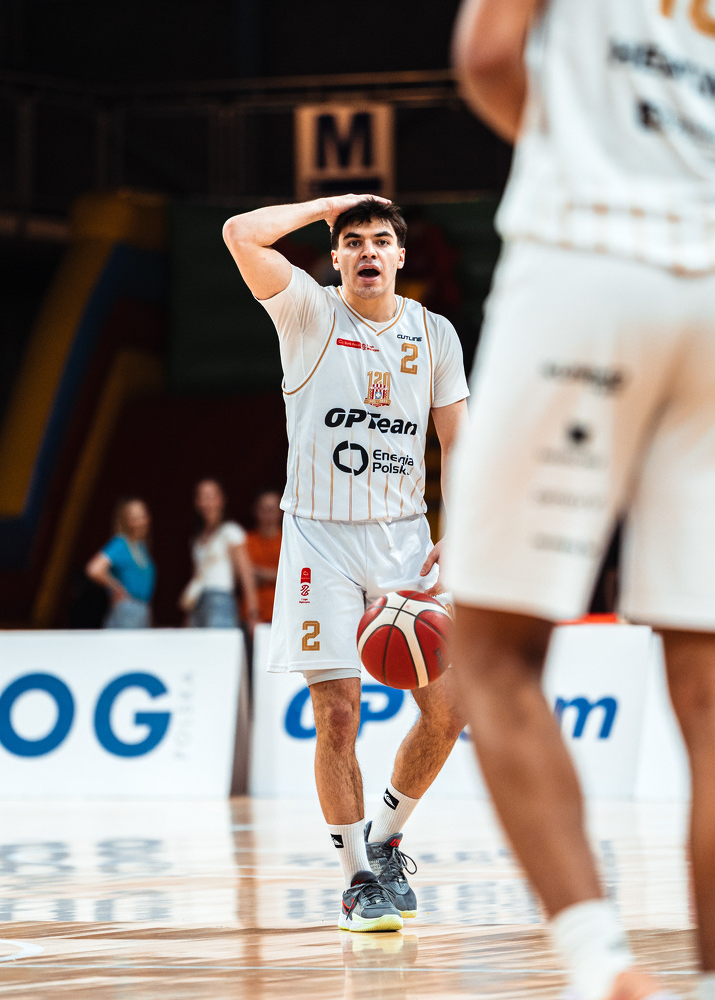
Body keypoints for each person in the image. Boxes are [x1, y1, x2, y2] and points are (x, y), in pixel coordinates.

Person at [447, 2, 715, 1000]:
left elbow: (489, 55)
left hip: (585, 256)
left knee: (492, 653)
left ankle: (600, 962)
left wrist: (581, 153)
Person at [223, 195, 469, 932]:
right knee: (337, 714)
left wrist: (459, 527)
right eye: (352, 240)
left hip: (403, 541)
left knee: (450, 710)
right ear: (334, 258)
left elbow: (458, 440)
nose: (367, 250)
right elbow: (240, 233)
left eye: (380, 240)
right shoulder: (306, 311)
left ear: (400, 257)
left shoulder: (434, 333)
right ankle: (358, 880)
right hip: (319, 540)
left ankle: (386, 840)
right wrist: (330, 205)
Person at [180, 478, 259, 630]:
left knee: (219, 643)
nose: (206, 503)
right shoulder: (197, 539)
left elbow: (245, 573)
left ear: (221, 500)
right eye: (201, 497)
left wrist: (252, 612)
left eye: (210, 497)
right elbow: (197, 576)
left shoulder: (231, 532)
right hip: (198, 602)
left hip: (220, 598)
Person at [85, 496, 155, 628]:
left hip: (142, 610)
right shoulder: (121, 543)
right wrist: (115, 586)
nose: (141, 521)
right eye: (135, 517)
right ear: (127, 520)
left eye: (143, 516)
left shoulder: (141, 547)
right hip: (127, 610)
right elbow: (94, 569)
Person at [246, 490, 283, 624]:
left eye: (272, 510)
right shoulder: (246, 540)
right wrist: (277, 574)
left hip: (283, 613)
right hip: (253, 616)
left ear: (281, 512)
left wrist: (259, 574)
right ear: (255, 511)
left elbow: (295, 575)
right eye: (264, 509)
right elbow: (242, 576)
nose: (268, 515)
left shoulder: (289, 542)